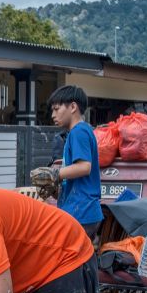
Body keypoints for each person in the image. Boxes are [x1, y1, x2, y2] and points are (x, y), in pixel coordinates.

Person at [31, 86, 103, 238]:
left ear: (73, 107)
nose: (53, 115)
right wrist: (57, 190)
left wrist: (54, 174)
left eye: (56, 109)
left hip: (81, 212)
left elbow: (84, 167)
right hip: (81, 211)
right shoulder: (79, 132)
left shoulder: (79, 132)